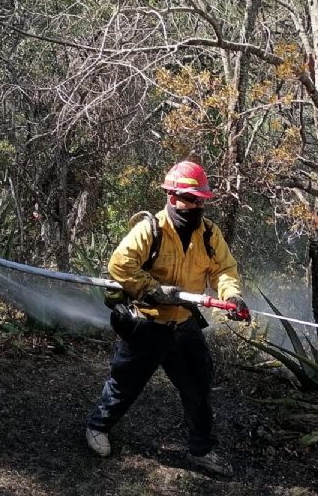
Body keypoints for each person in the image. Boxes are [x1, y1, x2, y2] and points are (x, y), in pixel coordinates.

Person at [85, 160, 249, 477]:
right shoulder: (151, 230)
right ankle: (98, 427)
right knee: (124, 384)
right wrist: (154, 290)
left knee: (198, 389)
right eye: (189, 198)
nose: (196, 205)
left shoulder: (209, 235)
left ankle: (201, 451)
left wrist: (231, 296)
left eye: (200, 199)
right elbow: (120, 265)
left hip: (184, 325)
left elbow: (224, 270)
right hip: (146, 324)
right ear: (172, 196)